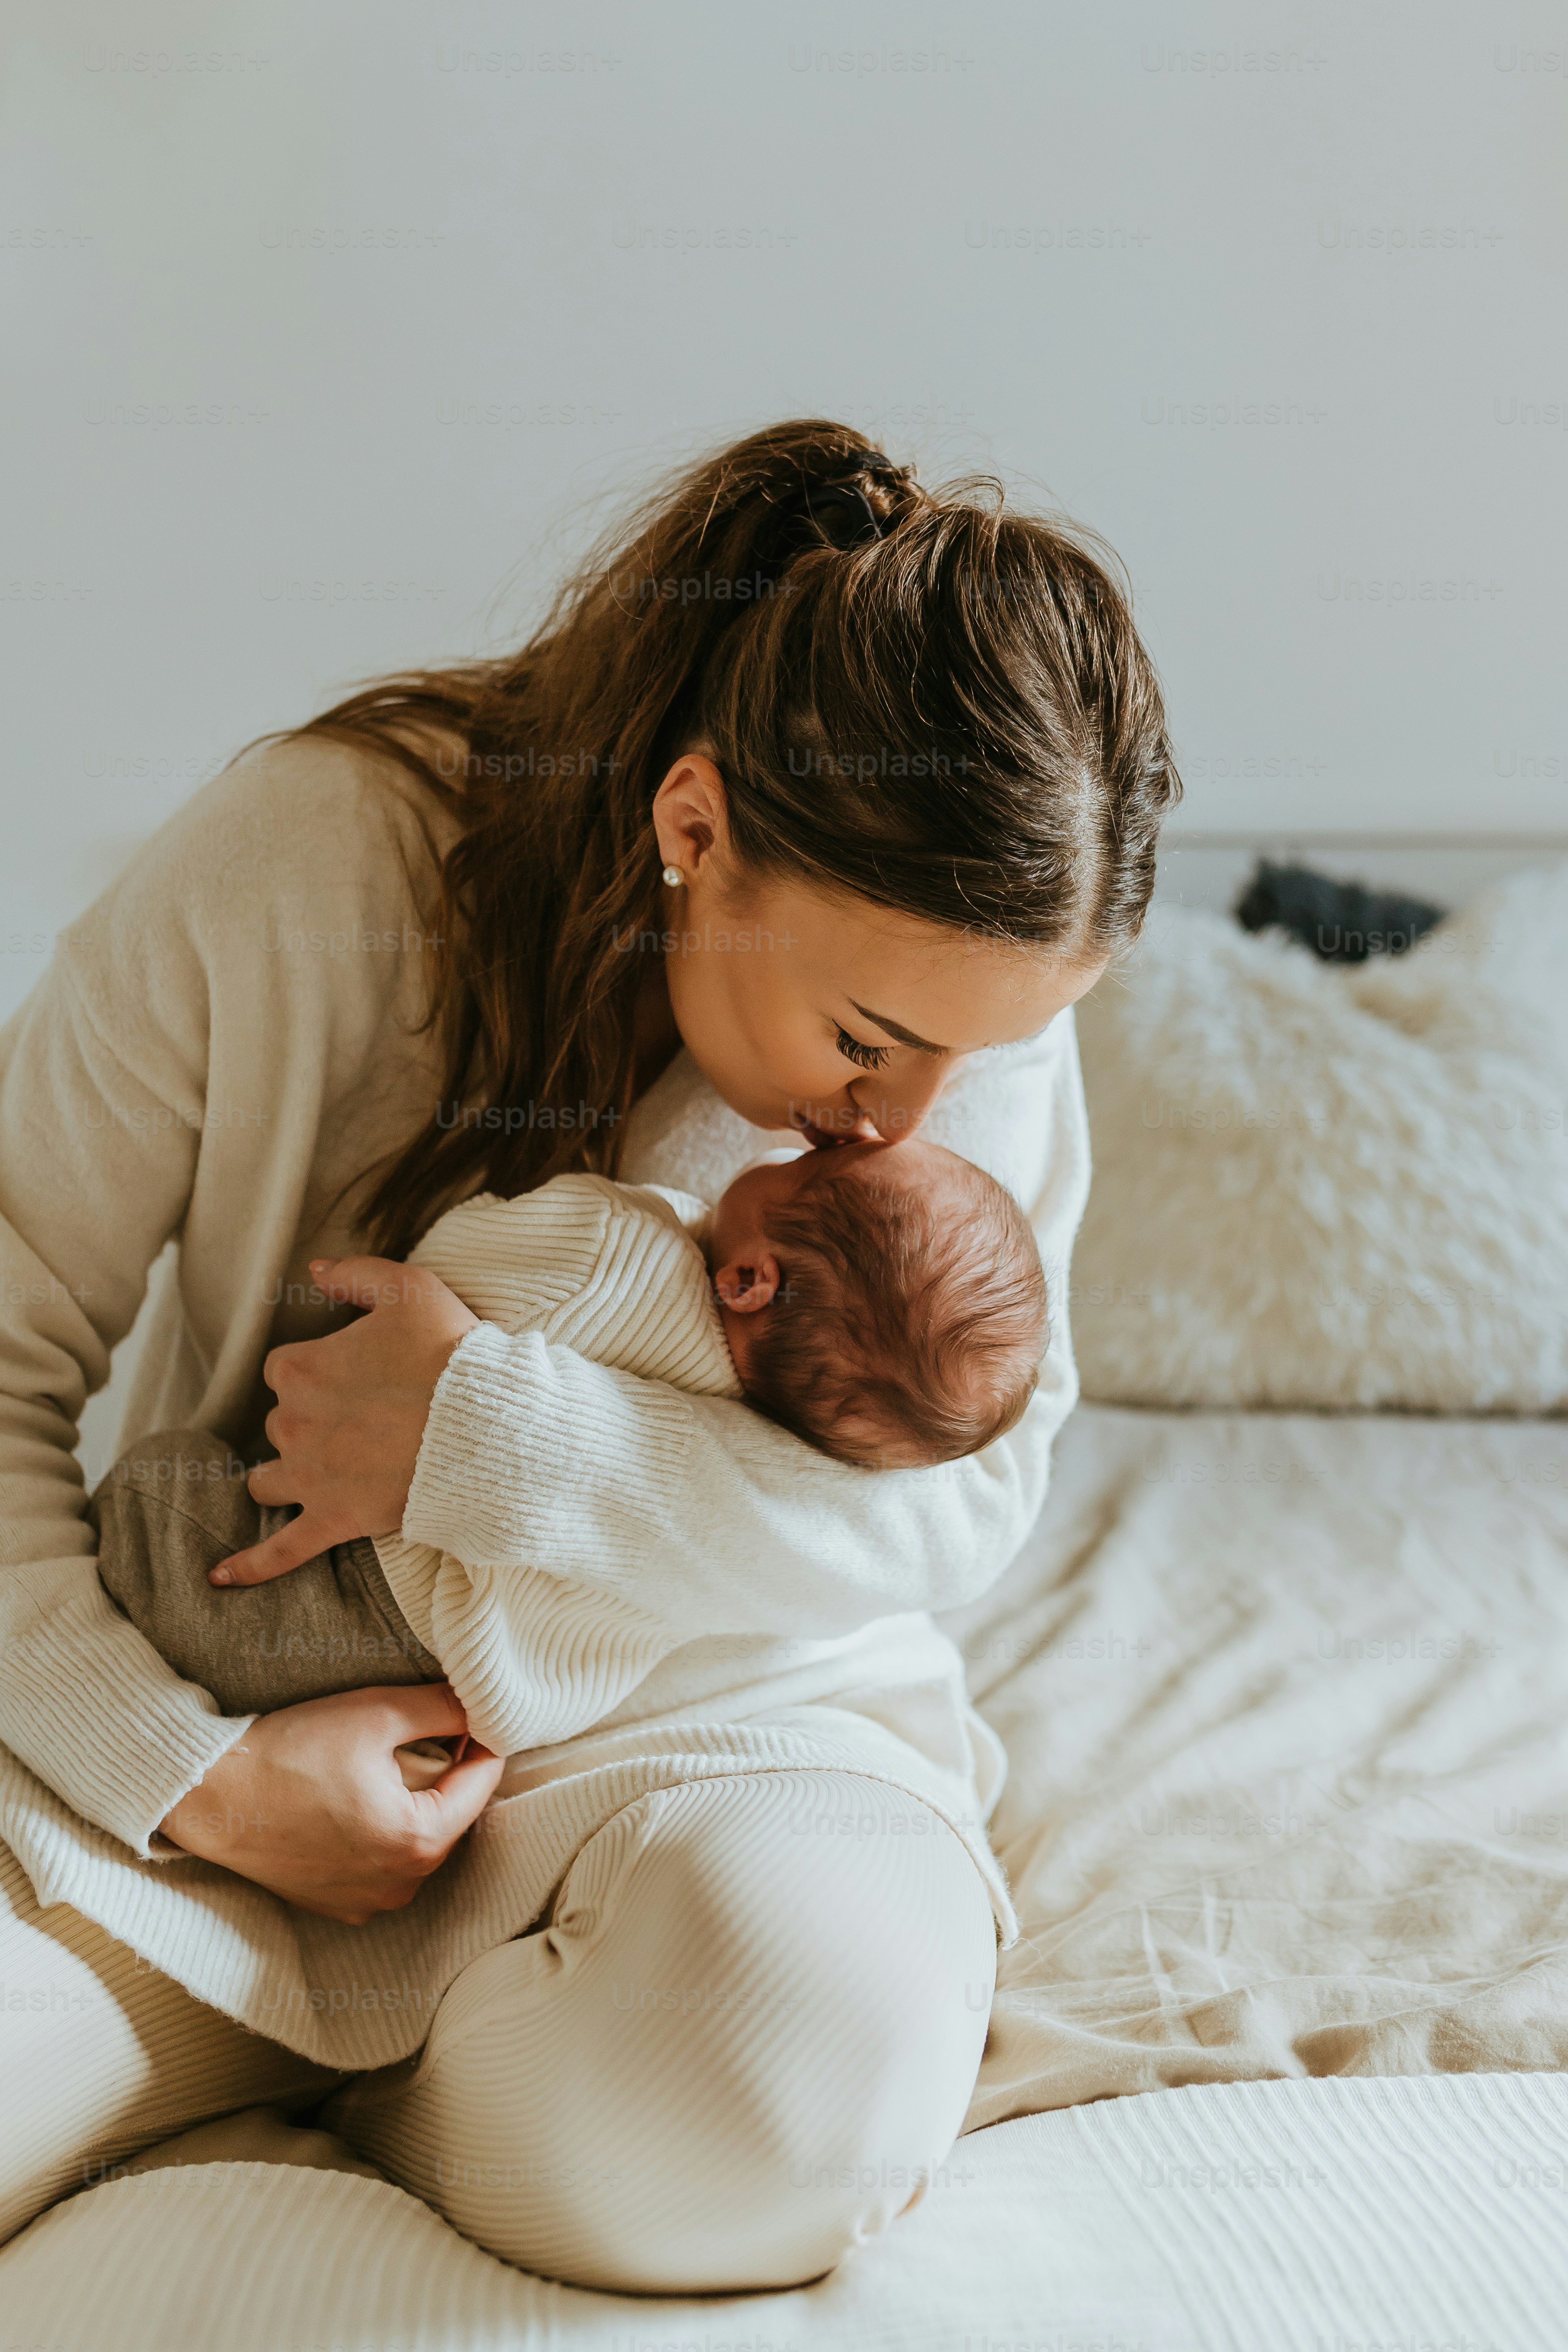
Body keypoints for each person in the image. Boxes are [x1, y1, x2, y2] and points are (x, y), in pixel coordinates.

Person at [0, 419, 1179, 2292]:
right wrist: (191, 1776)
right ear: (692, 824)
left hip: (721, 1719)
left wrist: (490, 1438)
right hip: (249, 1685)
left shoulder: (958, 1000)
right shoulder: (301, 861)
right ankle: (260, 2010)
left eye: (983, 1058)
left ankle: (381, 2067)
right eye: (872, 1036)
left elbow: (957, 1508)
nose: (906, 1129)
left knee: (790, 2081)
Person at [90, 1139, 1050, 1756]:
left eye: (806, 1163)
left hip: (331, 1601)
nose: (812, 1137)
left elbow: (455, 1259)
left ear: (752, 1279)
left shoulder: (615, 1252)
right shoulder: (778, 1442)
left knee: (156, 1480)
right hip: (457, 1702)